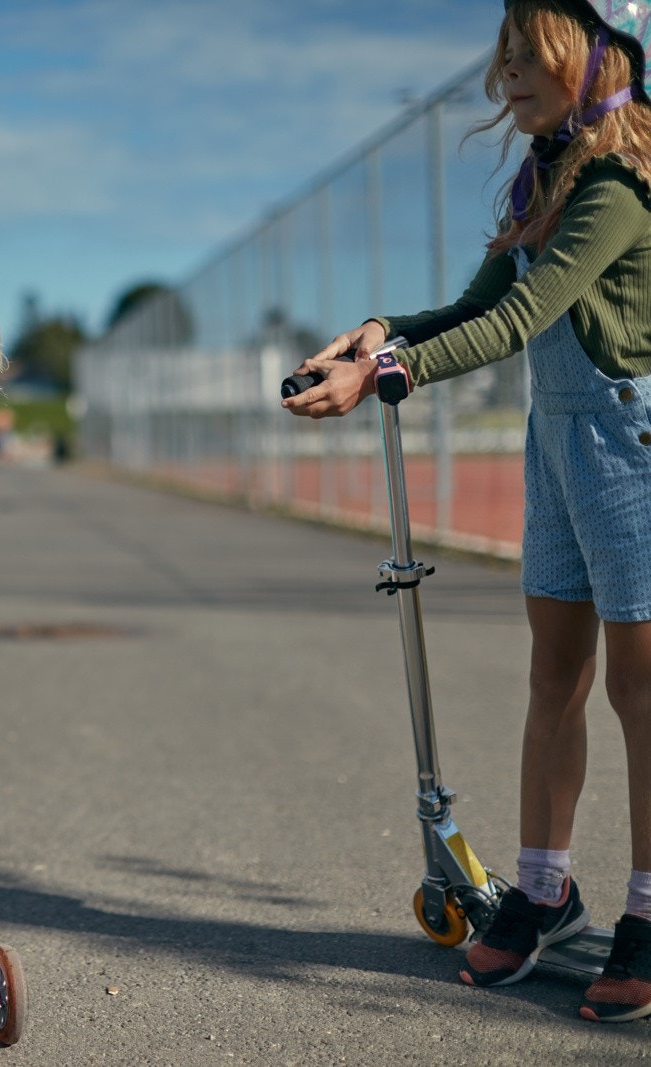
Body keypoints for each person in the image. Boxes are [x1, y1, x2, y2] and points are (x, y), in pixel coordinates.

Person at [285, 0, 651, 1023]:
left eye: (528, 52)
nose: (507, 73)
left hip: (629, 447)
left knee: (637, 686)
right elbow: (473, 304)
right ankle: (542, 890)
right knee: (553, 674)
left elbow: (526, 316)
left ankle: (650, 913)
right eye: (502, 55)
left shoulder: (617, 187)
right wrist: (378, 332)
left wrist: (388, 373)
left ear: (599, 55)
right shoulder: (545, 176)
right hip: (558, 445)